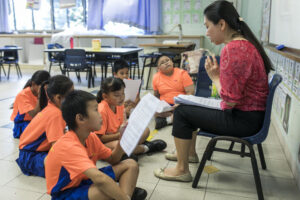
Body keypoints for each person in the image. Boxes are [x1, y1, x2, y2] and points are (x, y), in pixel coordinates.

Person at [154, 0, 272, 182]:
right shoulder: (244, 45)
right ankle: (189, 154)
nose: (206, 32)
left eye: (208, 26)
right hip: (251, 116)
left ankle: (182, 169)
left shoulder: (233, 49)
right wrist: (217, 77)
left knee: (182, 111)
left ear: (222, 24)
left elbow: (231, 100)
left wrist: (215, 77)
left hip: (243, 121)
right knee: (188, 103)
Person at [45, 90, 147, 200]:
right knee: (106, 191)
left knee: (131, 164)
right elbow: (100, 179)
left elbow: (113, 159)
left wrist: (122, 140)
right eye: (96, 110)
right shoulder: (68, 145)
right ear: (80, 118)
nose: (101, 115)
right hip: (65, 193)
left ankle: (124, 195)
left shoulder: (90, 137)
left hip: (84, 181)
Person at [16, 75, 74, 177]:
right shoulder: (55, 114)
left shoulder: (53, 108)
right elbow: (57, 147)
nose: (74, 99)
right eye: (71, 95)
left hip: (32, 153)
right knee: (70, 170)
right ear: (58, 98)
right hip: (30, 156)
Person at [95, 77, 166, 157]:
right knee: (120, 146)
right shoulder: (101, 110)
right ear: (105, 97)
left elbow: (121, 125)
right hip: (105, 143)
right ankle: (146, 148)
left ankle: (130, 151)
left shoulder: (119, 105)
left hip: (119, 137)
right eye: (117, 95)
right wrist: (119, 135)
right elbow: (99, 138)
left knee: (145, 130)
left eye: (123, 93)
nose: (121, 98)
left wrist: (128, 129)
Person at [152, 55, 194, 129]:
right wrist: (157, 106)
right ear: (158, 68)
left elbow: (190, 92)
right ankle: (174, 117)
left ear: (172, 62)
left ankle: (167, 121)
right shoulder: (156, 77)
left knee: (186, 109)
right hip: (166, 106)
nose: (166, 63)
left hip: (180, 103)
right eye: (162, 63)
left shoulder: (182, 73)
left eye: (167, 60)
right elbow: (156, 95)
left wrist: (180, 103)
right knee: (152, 110)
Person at [10, 70, 50, 138]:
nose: (45, 90)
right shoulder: (23, 95)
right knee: (44, 133)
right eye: (43, 88)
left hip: (36, 122)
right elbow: (33, 115)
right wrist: (40, 95)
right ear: (33, 84)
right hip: (22, 125)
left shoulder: (46, 92)